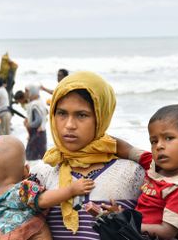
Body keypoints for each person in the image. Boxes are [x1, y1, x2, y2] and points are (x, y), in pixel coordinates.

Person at [31, 71, 144, 238]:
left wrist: (121, 220)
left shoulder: (132, 174)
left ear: (101, 117)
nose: (69, 125)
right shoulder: (42, 172)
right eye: (61, 113)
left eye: (81, 115)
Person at [105, 104, 178, 240]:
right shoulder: (152, 164)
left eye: (169, 138)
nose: (159, 146)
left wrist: (125, 223)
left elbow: (167, 232)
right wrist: (95, 136)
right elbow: (125, 149)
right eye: (154, 141)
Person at [0, 135, 95, 240]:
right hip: (30, 233)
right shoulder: (23, 189)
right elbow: (43, 200)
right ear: (26, 171)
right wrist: (71, 190)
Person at [24, 84, 48, 161]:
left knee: (32, 157)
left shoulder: (35, 104)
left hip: (37, 133)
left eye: (27, 92)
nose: (25, 94)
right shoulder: (39, 102)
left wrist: (29, 125)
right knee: (41, 156)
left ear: (32, 92)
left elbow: (38, 121)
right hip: (41, 133)